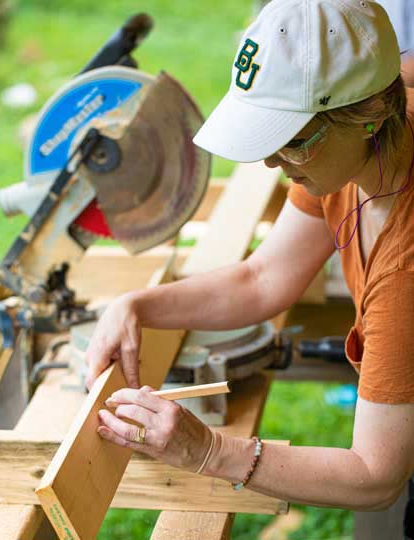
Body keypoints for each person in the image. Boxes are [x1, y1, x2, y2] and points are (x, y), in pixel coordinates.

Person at [86, 0, 414, 520]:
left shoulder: (406, 273)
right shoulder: (353, 148)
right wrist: (138, 305)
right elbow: (264, 278)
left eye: (291, 141)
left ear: (369, 117)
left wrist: (210, 451)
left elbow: (376, 474)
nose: (270, 160)